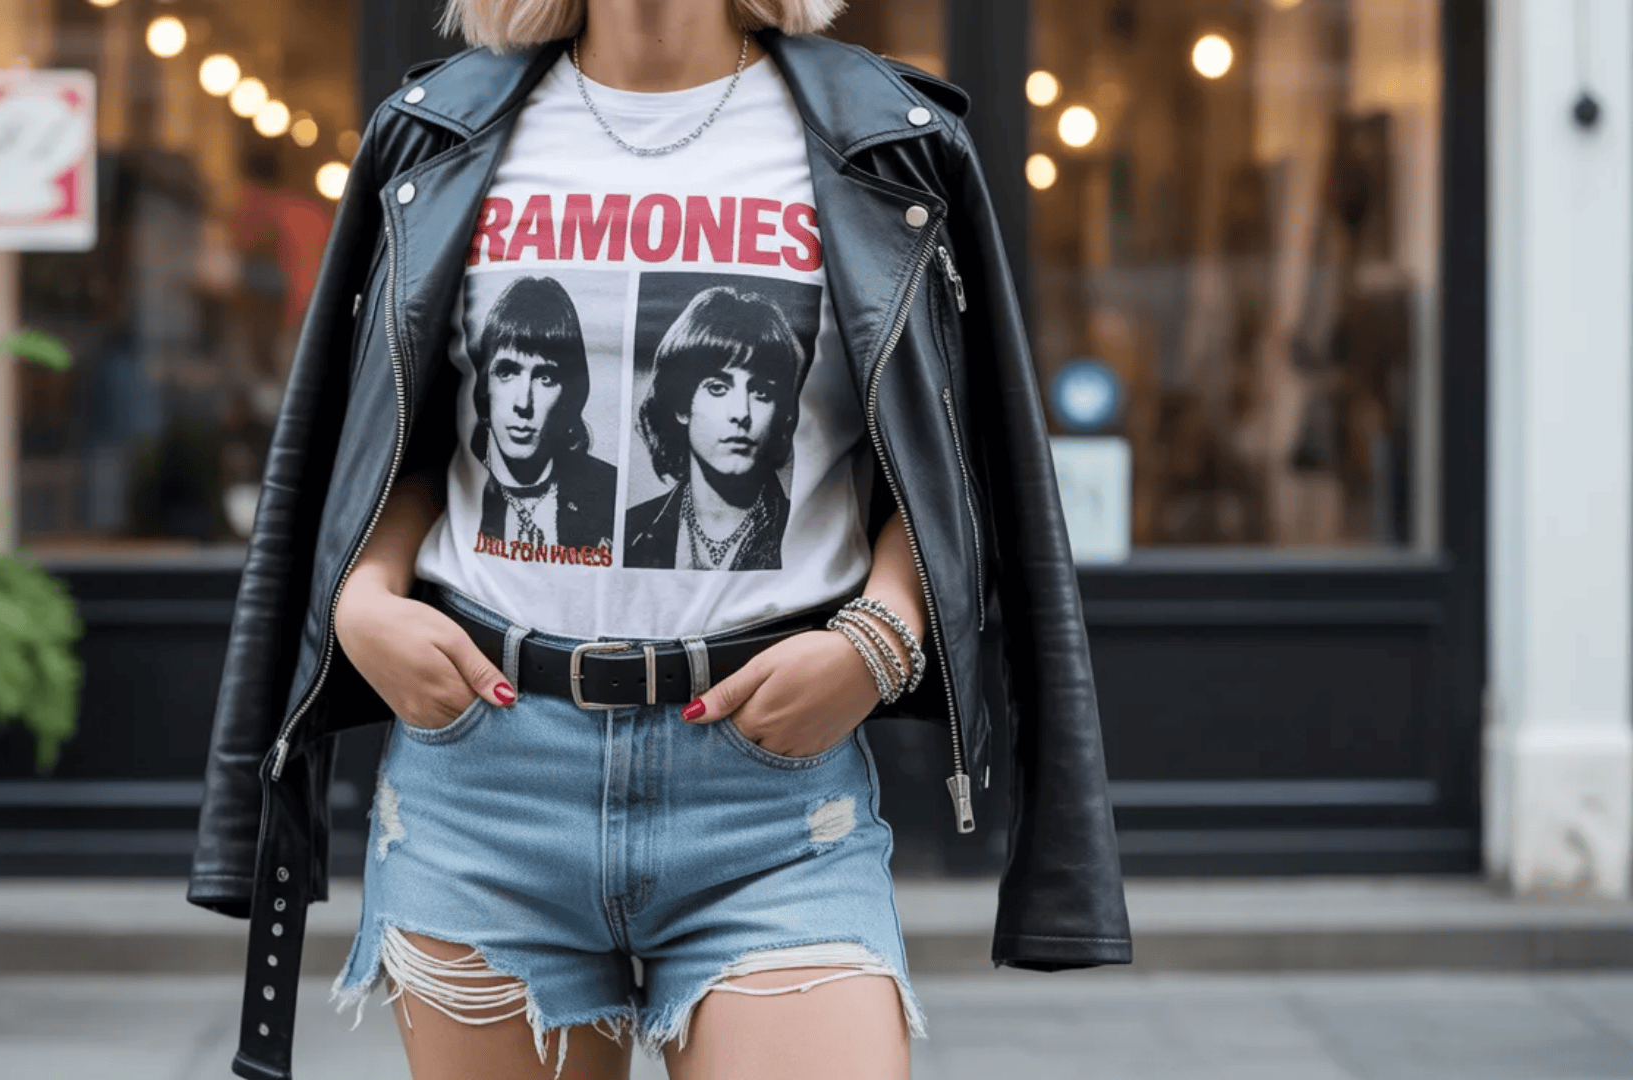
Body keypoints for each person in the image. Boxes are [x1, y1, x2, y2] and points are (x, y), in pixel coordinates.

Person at [190, 2, 1131, 1079]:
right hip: (487, 780)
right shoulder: (435, 132)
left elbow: (951, 457)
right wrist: (360, 600)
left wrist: (883, 634)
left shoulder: (888, 138)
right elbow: (402, 441)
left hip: (770, 797)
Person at [626, 285, 803, 571]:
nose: (741, 414)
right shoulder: (630, 531)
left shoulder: (804, 531)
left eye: (761, 393)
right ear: (682, 405)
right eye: (718, 388)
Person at [470, 275, 617, 553]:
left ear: (570, 392)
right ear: (484, 384)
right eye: (507, 372)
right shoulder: (453, 484)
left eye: (545, 377)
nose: (523, 403)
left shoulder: (611, 494)